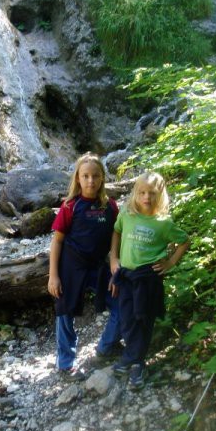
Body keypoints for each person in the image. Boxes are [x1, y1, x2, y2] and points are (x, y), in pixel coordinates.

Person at [110, 171, 190, 390]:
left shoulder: (163, 223)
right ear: (135, 193)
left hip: (148, 279)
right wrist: (114, 258)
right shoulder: (127, 213)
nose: (147, 197)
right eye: (142, 192)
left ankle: (136, 363)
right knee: (127, 319)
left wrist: (170, 262)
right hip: (126, 276)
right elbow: (116, 232)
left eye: (152, 193)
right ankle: (132, 356)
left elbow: (184, 241)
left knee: (143, 320)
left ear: (160, 194)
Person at [48, 152, 120, 379]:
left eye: (95, 176)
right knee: (65, 311)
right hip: (71, 265)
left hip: (98, 266)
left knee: (119, 302)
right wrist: (53, 276)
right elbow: (57, 241)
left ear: (102, 179)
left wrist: (114, 265)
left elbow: (114, 240)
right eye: (85, 176)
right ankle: (65, 364)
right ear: (78, 179)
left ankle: (105, 348)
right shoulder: (70, 206)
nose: (90, 181)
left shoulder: (111, 207)